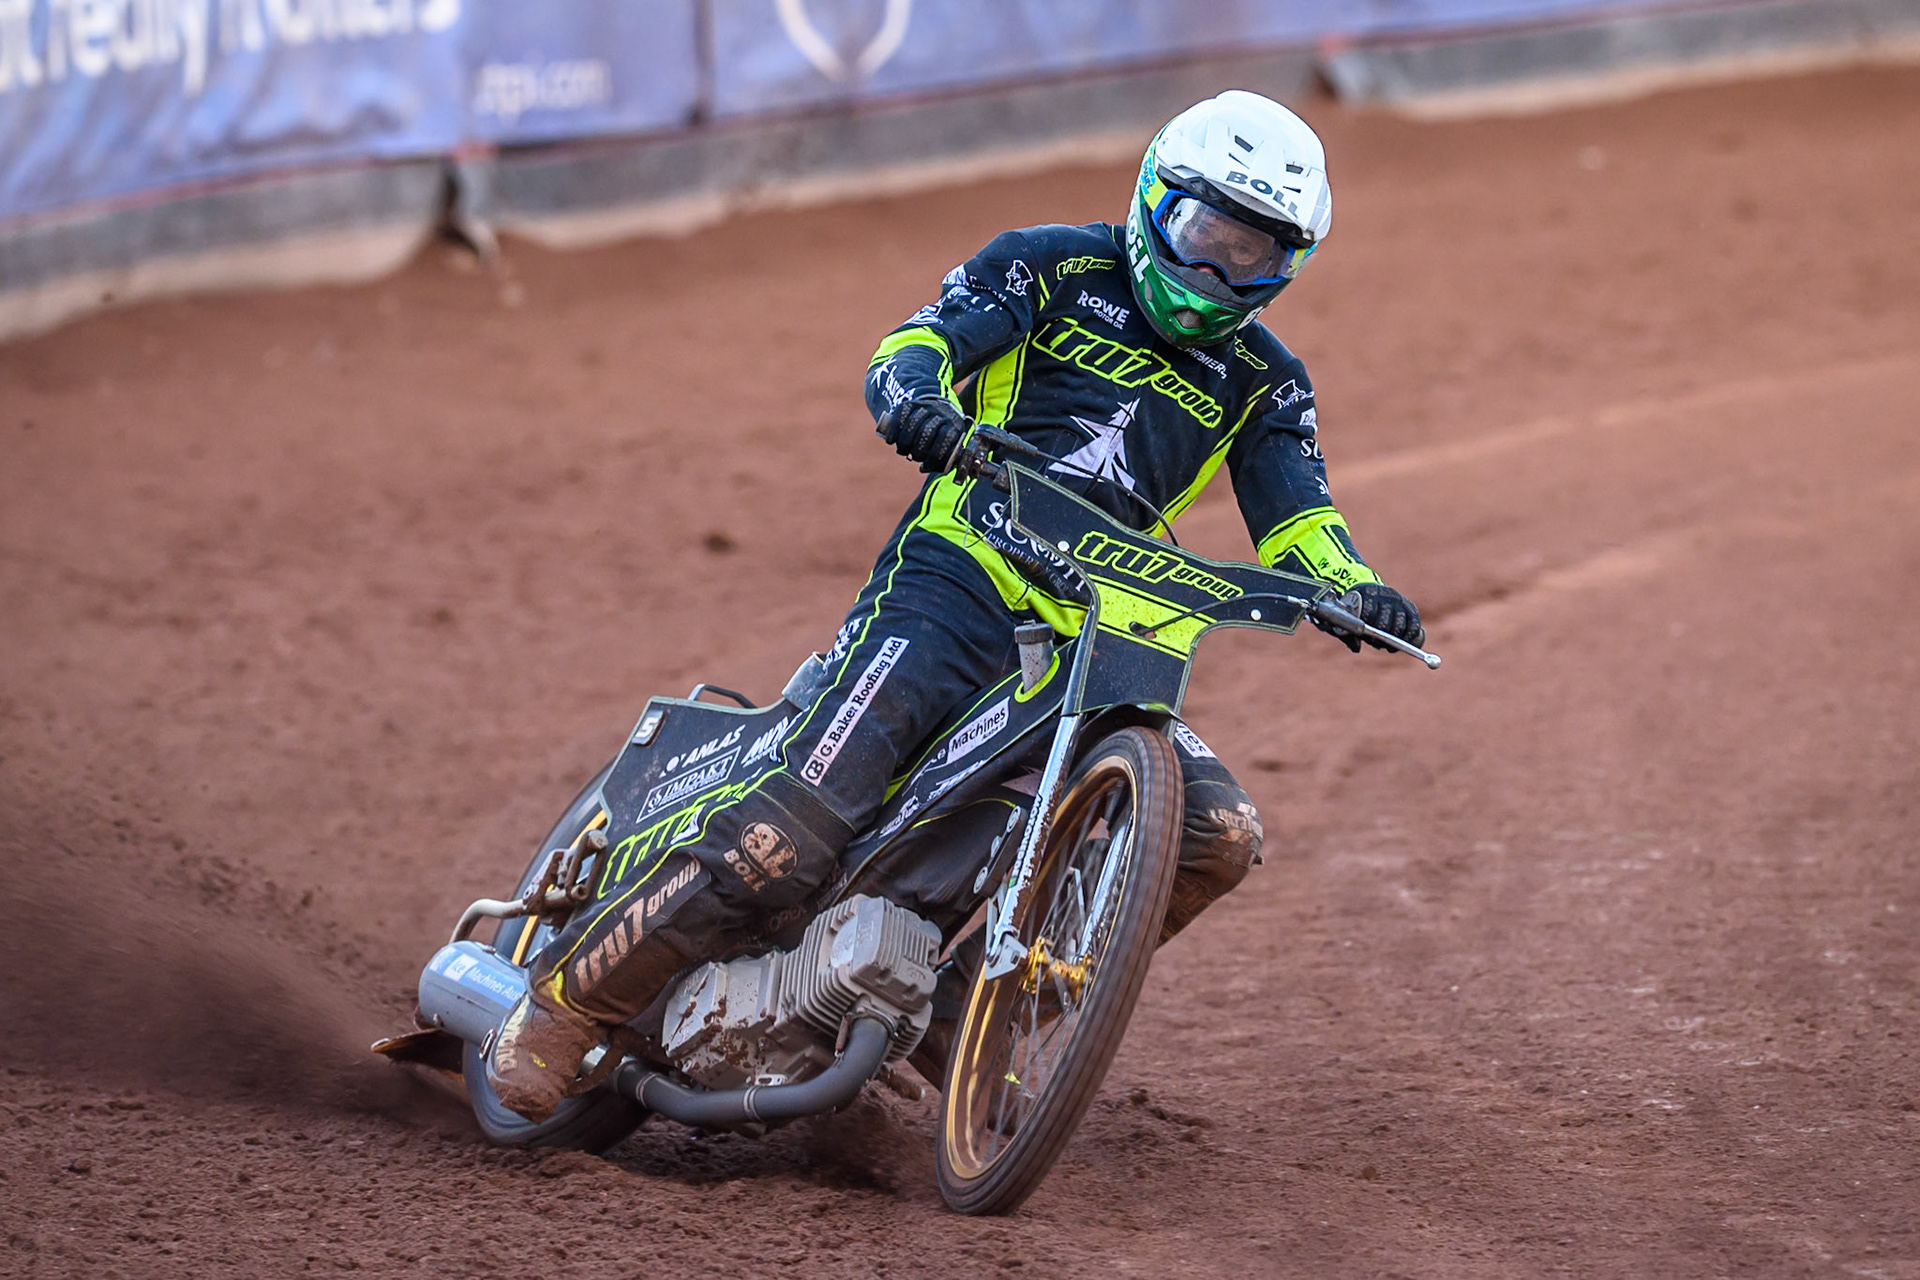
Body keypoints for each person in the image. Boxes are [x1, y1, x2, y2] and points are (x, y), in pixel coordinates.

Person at [486, 89, 1426, 1121]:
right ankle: (566, 1003)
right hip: (958, 576)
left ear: (1288, 265)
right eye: (1204, 234)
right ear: (1156, 199)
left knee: (1216, 832)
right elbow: (918, 346)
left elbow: (1299, 517)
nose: (1215, 274)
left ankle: (964, 1010)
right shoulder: (1052, 263)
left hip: (1103, 629)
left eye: (1252, 255)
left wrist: (1351, 586)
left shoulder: (1266, 381)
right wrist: (919, 405)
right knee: (793, 831)